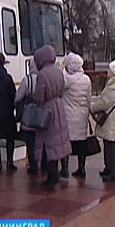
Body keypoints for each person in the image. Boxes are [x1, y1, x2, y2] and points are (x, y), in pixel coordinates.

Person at [33, 45, 71, 190]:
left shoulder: (42, 74)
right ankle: (56, 173)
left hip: (47, 112)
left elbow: (38, 97)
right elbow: (62, 90)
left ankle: (52, 176)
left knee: (49, 144)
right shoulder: (58, 70)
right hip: (59, 107)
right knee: (57, 142)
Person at [91, 60, 115, 182]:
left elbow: (105, 102)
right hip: (112, 119)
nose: (107, 71)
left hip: (112, 120)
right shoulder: (114, 85)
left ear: (114, 72)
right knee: (108, 145)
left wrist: (92, 108)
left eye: (110, 70)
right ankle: (108, 169)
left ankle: (113, 172)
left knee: (111, 146)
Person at [62, 52, 92, 178]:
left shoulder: (65, 79)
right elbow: (88, 99)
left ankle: (64, 169)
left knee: (65, 143)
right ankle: (81, 168)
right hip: (81, 115)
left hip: (67, 115)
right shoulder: (86, 80)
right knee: (81, 143)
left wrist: (62, 68)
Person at [15, 58, 38, 175]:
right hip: (41, 116)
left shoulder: (27, 80)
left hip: (29, 116)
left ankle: (33, 166)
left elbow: (18, 97)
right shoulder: (43, 78)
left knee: (30, 141)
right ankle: (43, 163)